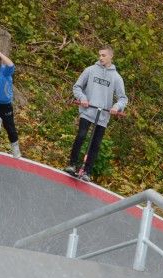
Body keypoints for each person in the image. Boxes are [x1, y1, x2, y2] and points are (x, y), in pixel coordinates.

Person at [64, 46, 128, 181]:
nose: (100, 57)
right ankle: (72, 164)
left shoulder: (116, 77)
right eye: (99, 55)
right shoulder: (90, 70)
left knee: (95, 144)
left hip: (103, 115)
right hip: (88, 111)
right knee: (81, 136)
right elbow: (77, 87)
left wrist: (117, 107)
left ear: (111, 56)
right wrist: (82, 98)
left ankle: (87, 171)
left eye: (104, 55)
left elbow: (123, 98)